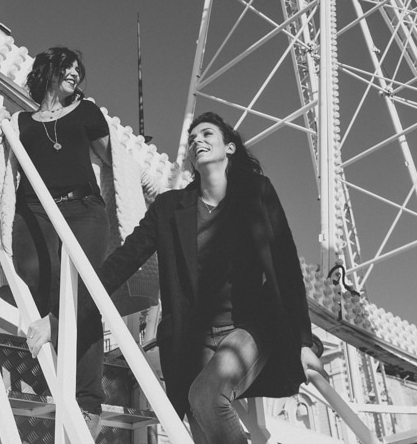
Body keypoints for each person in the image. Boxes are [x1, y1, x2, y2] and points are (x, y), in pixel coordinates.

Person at [80, 111, 324, 444]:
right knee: (203, 428)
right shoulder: (169, 207)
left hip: (247, 328)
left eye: (208, 134)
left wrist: (303, 342)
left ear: (230, 148)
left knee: (207, 398)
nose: (198, 141)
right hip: (190, 341)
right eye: (193, 139)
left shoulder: (256, 192)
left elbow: (285, 265)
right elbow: (127, 257)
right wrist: (78, 300)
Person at [0, 46, 111, 430]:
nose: (75, 73)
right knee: (29, 273)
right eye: (67, 67)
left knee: (82, 292)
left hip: (83, 208)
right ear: (48, 72)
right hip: (35, 209)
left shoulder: (88, 112)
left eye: (79, 68)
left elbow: (114, 162)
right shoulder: (21, 121)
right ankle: (50, 349)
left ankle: (87, 401)